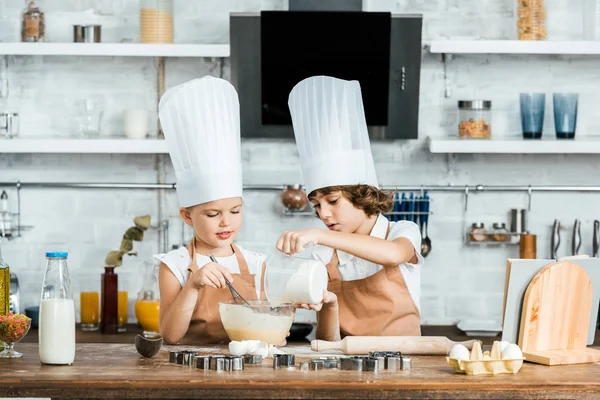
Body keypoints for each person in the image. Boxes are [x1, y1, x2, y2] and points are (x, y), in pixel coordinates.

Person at [277, 76, 423, 341]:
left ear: (362, 193)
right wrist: (329, 305)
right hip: (348, 367)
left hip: (407, 364)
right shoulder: (323, 256)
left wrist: (319, 235)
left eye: (332, 201)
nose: (323, 214)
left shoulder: (401, 231)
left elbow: (392, 255)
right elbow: (325, 341)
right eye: (317, 205)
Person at [155, 76, 267, 345]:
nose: (226, 222)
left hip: (244, 368)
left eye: (235, 211)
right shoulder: (175, 266)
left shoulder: (256, 263)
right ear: (187, 216)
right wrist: (193, 285)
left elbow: (265, 326)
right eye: (213, 214)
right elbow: (170, 335)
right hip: (189, 368)